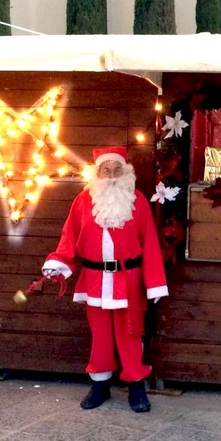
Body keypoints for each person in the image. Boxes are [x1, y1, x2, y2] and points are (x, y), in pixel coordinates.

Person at [41, 146, 168, 412]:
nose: (111, 176)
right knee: (100, 337)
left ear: (126, 172)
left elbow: (150, 244)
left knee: (130, 334)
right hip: (95, 281)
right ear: (97, 173)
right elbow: (69, 237)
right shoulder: (82, 201)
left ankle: (136, 386)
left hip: (128, 282)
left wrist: (154, 283)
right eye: (106, 170)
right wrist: (58, 264)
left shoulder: (137, 201)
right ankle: (100, 386)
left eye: (116, 170)